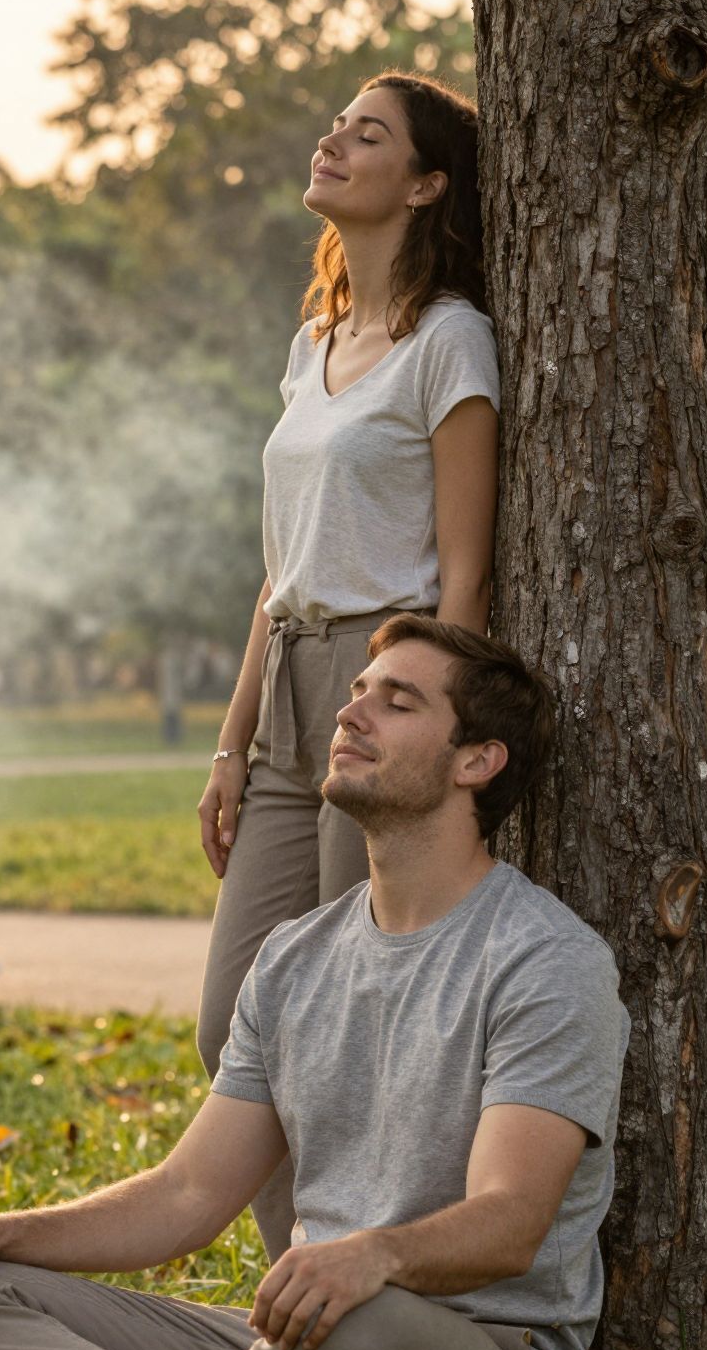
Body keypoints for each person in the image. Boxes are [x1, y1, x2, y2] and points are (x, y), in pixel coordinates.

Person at [0, 618, 629, 1350]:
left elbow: (512, 1219)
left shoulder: (545, 960)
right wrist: (0, 1235)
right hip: (296, 1348)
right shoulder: (293, 959)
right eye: (359, 689)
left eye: (397, 701)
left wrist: (374, 1259)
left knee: (351, 1336)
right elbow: (187, 1196)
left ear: (477, 761)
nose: (353, 710)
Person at [196, 72, 501, 1261]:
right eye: (337, 122)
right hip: (286, 693)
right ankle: (298, 1286)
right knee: (237, 1013)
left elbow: (463, 578)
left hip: (384, 683)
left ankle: (333, 1294)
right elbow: (279, 573)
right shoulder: (311, 342)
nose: (334, 138)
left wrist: (423, 718)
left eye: (367, 133)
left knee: (338, 1019)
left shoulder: (451, 341)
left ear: (425, 184)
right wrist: (234, 740)